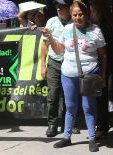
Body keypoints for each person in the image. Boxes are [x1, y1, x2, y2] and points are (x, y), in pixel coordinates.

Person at [41, 0, 107, 152]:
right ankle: (66, 137)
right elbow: (59, 51)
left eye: (81, 14)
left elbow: (103, 56)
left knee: (88, 107)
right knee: (70, 107)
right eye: (75, 15)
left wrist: (103, 75)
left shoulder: (96, 31)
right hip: (68, 74)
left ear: (87, 14)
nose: (78, 17)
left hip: (89, 75)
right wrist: (50, 37)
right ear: (71, 15)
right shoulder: (67, 29)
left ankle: (92, 138)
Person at [41, 0, 73, 137]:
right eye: (57, 6)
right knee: (53, 94)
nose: (59, 9)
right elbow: (44, 44)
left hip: (70, 63)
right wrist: (43, 64)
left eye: (62, 6)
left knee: (69, 96)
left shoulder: (75, 22)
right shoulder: (51, 22)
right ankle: (52, 124)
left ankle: (68, 125)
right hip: (54, 62)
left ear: (69, 8)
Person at [89, 0, 113, 140]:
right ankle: (102, 124)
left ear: (100, 11)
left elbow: (104, 53)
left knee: (101, 96)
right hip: (106, 66)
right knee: (102, 95)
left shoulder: (102, 27)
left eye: (93, 11)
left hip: (103, 66)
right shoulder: (107, 25)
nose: (91, 14)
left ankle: (101, 126)